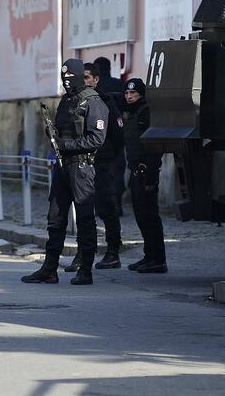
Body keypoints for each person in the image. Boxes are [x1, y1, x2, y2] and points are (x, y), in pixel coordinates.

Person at [21, 59, 108, 286]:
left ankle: (85, 269)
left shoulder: (93, 102)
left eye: (71, 78)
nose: (67, 83)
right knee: (55, 217)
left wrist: (64, 145)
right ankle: (50, 268)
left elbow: (97, 139)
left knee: (85, 220)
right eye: (64, 79)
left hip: (81, 167)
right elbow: (61, 132)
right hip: (63, 167)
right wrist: (53, 135)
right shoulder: (67, 100)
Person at [61, 62, 124, 271]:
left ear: (96, 80)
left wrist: (107, 159)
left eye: (87, 78)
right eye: (83, 77)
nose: (84, 81)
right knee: (84, 212)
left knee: (107, 208)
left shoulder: (103, 102)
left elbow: (117, 136)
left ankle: (113, 252)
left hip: (103, 163)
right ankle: (83, 254)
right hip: (81, 163)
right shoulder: (75, 101)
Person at [122, 79, 167, 273]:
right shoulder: (131, 113)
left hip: (146, 171)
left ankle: (158, 259)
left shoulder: (146, 112)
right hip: (135, 170)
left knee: (150, 216)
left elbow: (155, 146)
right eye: (127, 94)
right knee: (141, 215)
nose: (130, 96)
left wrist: (150, 174)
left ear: (141, 94)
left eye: (133, 94)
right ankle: (149, 256)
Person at [93, 56, 127, 214]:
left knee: (100, 174)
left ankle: (101, 206)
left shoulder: (94, 87)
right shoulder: (118, 84)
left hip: (98, 136)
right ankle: (117, 205)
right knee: (117, 172)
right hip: (116, 133)